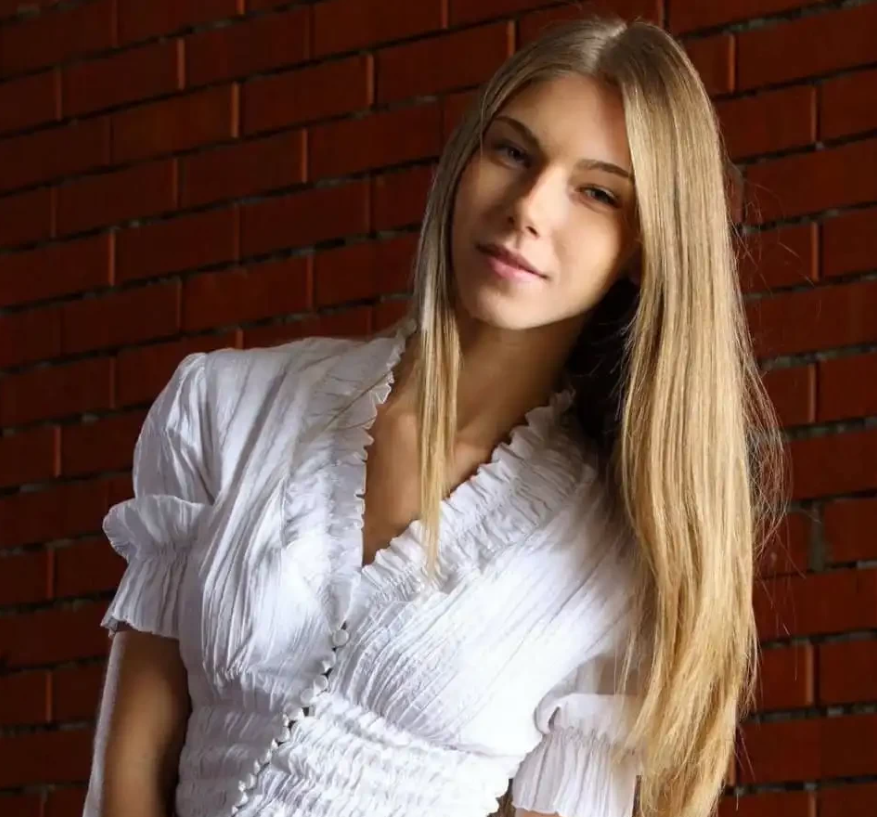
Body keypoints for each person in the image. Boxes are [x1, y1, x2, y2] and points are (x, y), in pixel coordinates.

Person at [83, 13, 784, 817]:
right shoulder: (226, 407)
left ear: (645, 248)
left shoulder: (621, 557)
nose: (528, 207)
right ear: (463, 163)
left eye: (596, 192)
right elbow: (128, 774)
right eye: (512, 152)